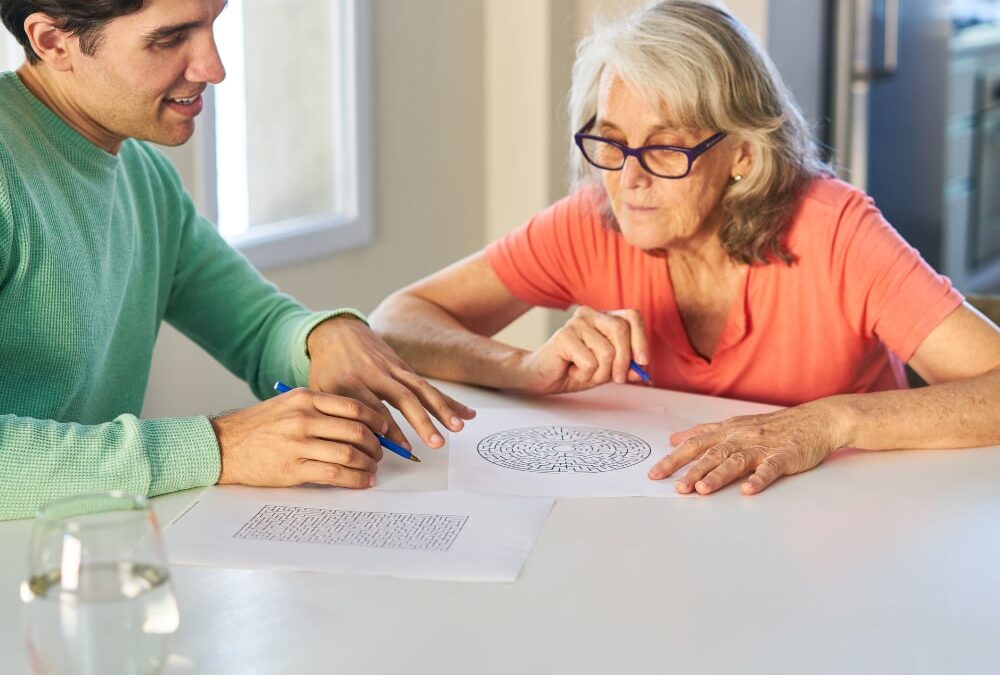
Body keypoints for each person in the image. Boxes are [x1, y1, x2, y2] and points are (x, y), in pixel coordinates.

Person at [370, 0, 1000, 497]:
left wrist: (831, 421)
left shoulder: (834, 229)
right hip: (677, 528)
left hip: (848, 532)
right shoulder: (593, 218)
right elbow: (397, 320)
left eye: (667, 148)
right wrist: (521, 368)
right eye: (611, 142)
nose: (629, 179)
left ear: (743, 156)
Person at [0, 0, 475, 521]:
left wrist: (321, 336)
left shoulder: (145, 178)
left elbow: (258, 328)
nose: (214, 67)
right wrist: (220, 445)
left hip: (83, 551)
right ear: (52, 41)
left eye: (213, 23)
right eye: (169, 38)